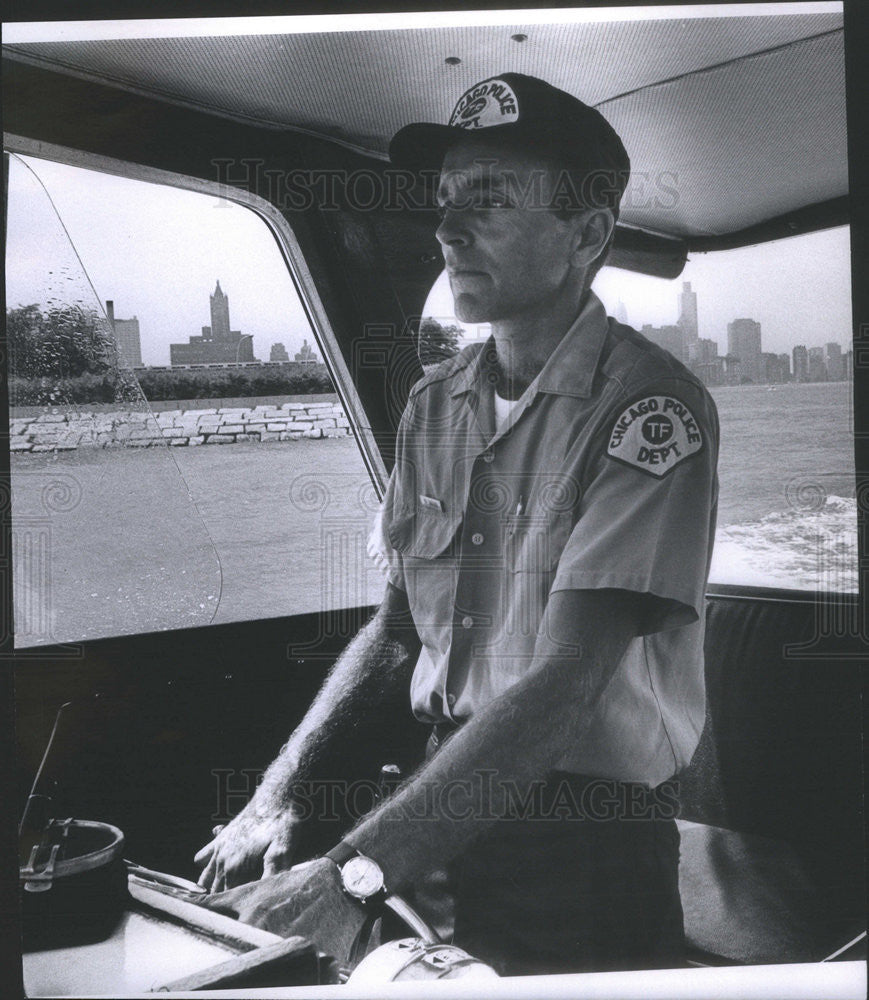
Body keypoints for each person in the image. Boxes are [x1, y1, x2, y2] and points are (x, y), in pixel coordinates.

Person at [194, 72, 719, 976]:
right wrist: (278, 798)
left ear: (586, 234)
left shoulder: (649, 412)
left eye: (488, 200)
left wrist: (351, 873)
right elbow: (399, 629)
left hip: (583, 840)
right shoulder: (433, 406)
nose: (445, 229)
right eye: (443, 203)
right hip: (439, 802)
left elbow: (567, 683)